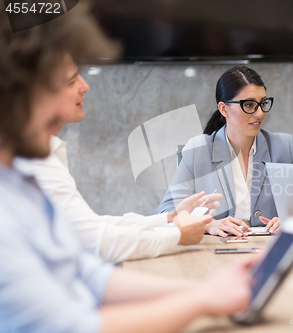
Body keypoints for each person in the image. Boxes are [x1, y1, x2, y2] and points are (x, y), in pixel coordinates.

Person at [0, 8, 254, 332]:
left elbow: (85, 273)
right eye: (64, 81)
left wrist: (206, 290)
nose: (84, 87)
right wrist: (200, 299)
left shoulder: (21, 182)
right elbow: (69, 324)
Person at [14, 54, 222, 263]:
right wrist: (177, 233)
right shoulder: (34, 161)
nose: (85, 86)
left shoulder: (45, 153)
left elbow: (91, 225)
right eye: (71, 81)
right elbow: (96, 241)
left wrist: (169, 219)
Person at [156, 66, 293, 237]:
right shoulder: (199, 151)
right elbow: (166, 214)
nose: (259, 113)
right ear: (224, 109)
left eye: (263, 103)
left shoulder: (285, 147)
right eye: (249, 105)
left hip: (270, 249)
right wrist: (208, 224)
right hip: (214, 253)